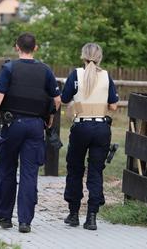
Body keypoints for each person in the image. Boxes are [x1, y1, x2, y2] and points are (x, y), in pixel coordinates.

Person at [0, 33, 61, 233]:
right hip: (35, 126)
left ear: (17, 47)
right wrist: (50, 116)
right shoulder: (45, 71)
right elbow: (57, 99)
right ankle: (25, 221)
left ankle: (4, 217)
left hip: (12, 124)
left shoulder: (9, 68)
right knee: (29, 173)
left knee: (7, 169)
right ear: (36, 48)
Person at [61, 43, 118, 230]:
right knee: (96, 171)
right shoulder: (106, 76)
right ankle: (92, 216)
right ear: (99, 57)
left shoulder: (76, 74)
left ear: (82, 56)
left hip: (81, 127)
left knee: (75, 169)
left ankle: (73, 213)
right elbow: (113, 106)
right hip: (101, 128)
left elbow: (64, 99)